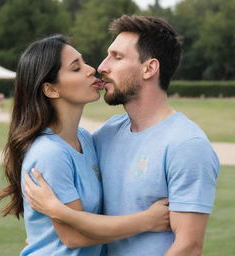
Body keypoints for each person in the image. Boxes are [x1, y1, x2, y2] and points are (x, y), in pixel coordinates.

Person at [24, 15, 220, 256]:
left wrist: (60, 213)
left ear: (149, 68)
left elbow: (188, 248)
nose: (101, 67)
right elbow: (67, 232)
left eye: (116, 57)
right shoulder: (104, 136)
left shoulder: (186, 144)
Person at [0, 34, 171, 256]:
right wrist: (148, 220)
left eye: (84, 62)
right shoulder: (50, 153)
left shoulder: (85, 139)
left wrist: (60, 212)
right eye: (76, 68)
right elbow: (74, 237)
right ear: (50, 89)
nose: (91, 69)